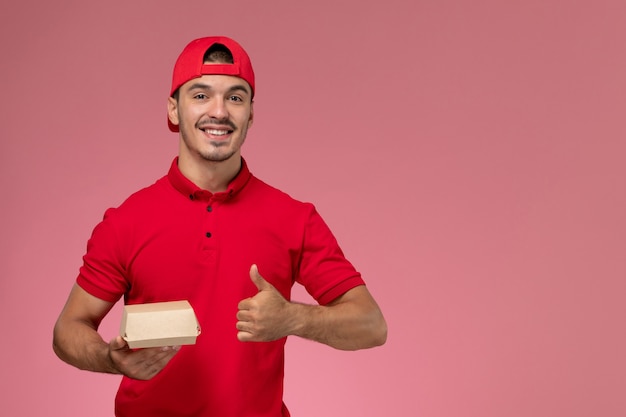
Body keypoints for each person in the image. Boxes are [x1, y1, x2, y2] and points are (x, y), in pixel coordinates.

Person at [53, 36, 387, 417]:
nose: (220, 111)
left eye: (235, 97)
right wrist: (109, 359)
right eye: (200, 95)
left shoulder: (294, 218)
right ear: (173, 110)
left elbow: (371, 325)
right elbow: (69, 329)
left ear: (251, 113)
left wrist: (293, 318)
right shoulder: (126, 221)